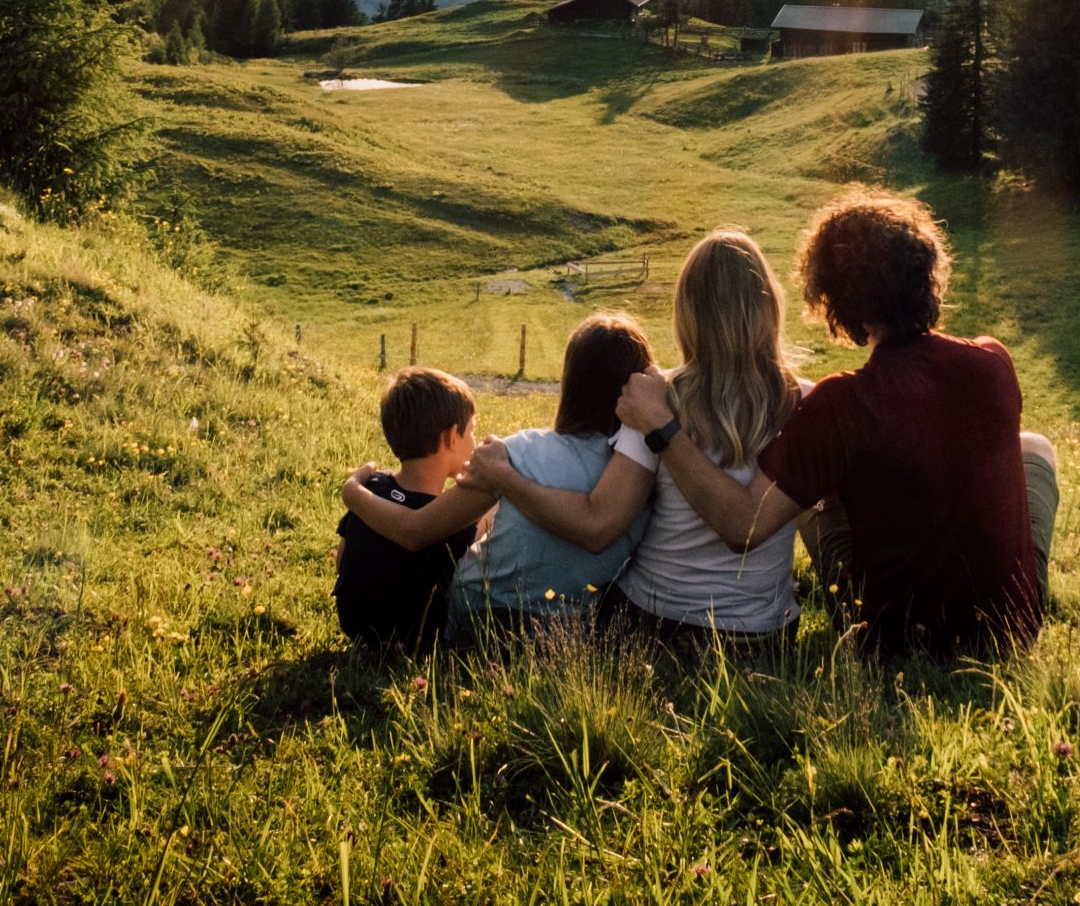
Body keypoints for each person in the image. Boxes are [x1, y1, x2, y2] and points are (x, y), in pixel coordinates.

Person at [617, 189, 1053, 655]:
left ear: (835, 298)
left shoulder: (841, 404)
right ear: (926, 274)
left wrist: (662, 424)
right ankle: (1021, 582)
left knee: (805, 493)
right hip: (1011, 630)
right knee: (1034, 450)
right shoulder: (993, 361)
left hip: (901, 638)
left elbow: (744, 524)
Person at [466, 229, 805, 648]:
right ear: (769, 303)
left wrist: (508, 478)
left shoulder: (655, 397)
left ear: (687, 311)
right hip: (765, 633)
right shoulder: (805, 402)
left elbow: (597, 525)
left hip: (653, 621)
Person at [339, 315, 654, 641]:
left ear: (571, 380)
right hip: (567, 631)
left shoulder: (520, 452)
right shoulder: (643, 476)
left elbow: (417, 530)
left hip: (476, 616)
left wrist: (352, 491)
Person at [334, 364, 478, 652]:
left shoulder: (372, 487)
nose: (475, 440)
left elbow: (342, 557)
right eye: (472, 430)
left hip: (355, 624)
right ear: (451, 436)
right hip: (418, 639)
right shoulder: (447, 518)